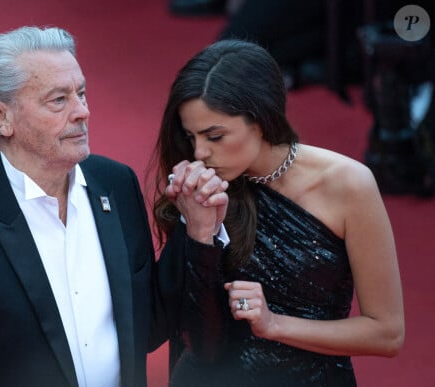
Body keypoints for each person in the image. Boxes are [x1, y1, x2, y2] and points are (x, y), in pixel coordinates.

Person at [0, 25, 228, 387]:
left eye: (81, 93)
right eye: (59, 100)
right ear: (2, 116)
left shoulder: (116, 185)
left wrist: (198, 231)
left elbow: (145, 326)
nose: (82, 111)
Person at [150, 39, 405, 386]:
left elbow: (386, 333)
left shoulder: (348, 185)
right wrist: (199, 234)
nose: (199, 152)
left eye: (215, 136)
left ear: (262, 119)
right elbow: (198, 342)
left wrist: (274, 325)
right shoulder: (200, 190)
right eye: (191, 136)